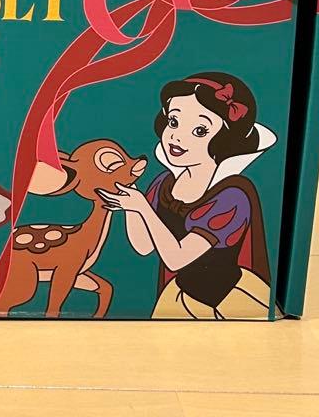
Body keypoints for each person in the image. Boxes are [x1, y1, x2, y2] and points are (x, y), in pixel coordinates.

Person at [99, 72, 274, 320]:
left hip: (229, 301)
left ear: (225, 140)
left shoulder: (232, 195)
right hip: (181, 295)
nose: (177, 136)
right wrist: (133, 204)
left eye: (200, 130)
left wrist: (143, 208)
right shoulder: (164, 183)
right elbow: (143, 246)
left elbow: (176, 258)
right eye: (174, 121)